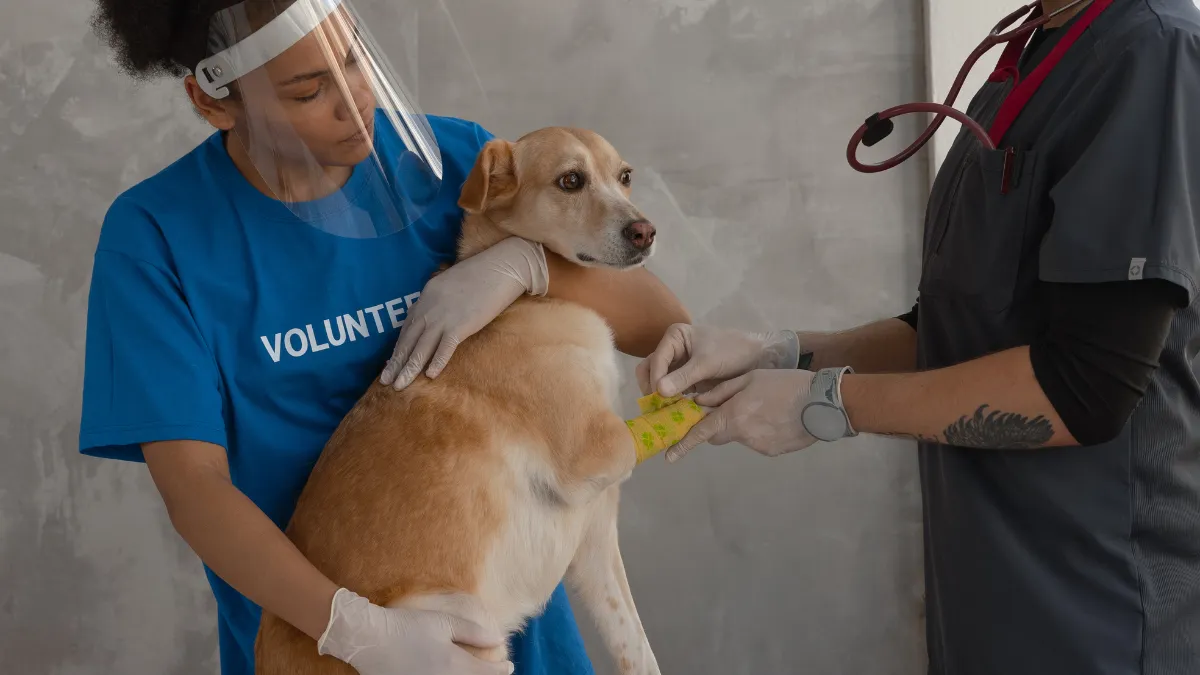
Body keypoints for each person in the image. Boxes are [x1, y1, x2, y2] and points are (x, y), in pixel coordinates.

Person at [77, 1, 689, 674]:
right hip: (323, 645)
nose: (353, 100)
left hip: (510, 635)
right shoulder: (159, 238)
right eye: (308, 90)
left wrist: (525, 265)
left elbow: (659, 323)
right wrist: (355, 629)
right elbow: (195, 489)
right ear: (214, 102)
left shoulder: (452, 162)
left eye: (353, 58)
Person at [639, 0, 1200, 673]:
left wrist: (825, 404)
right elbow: (957, 328)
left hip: (1098, 612)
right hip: (986, 606)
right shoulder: (1033, 50)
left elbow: (1086, 388)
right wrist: (778, 350)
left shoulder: (1154, 55)